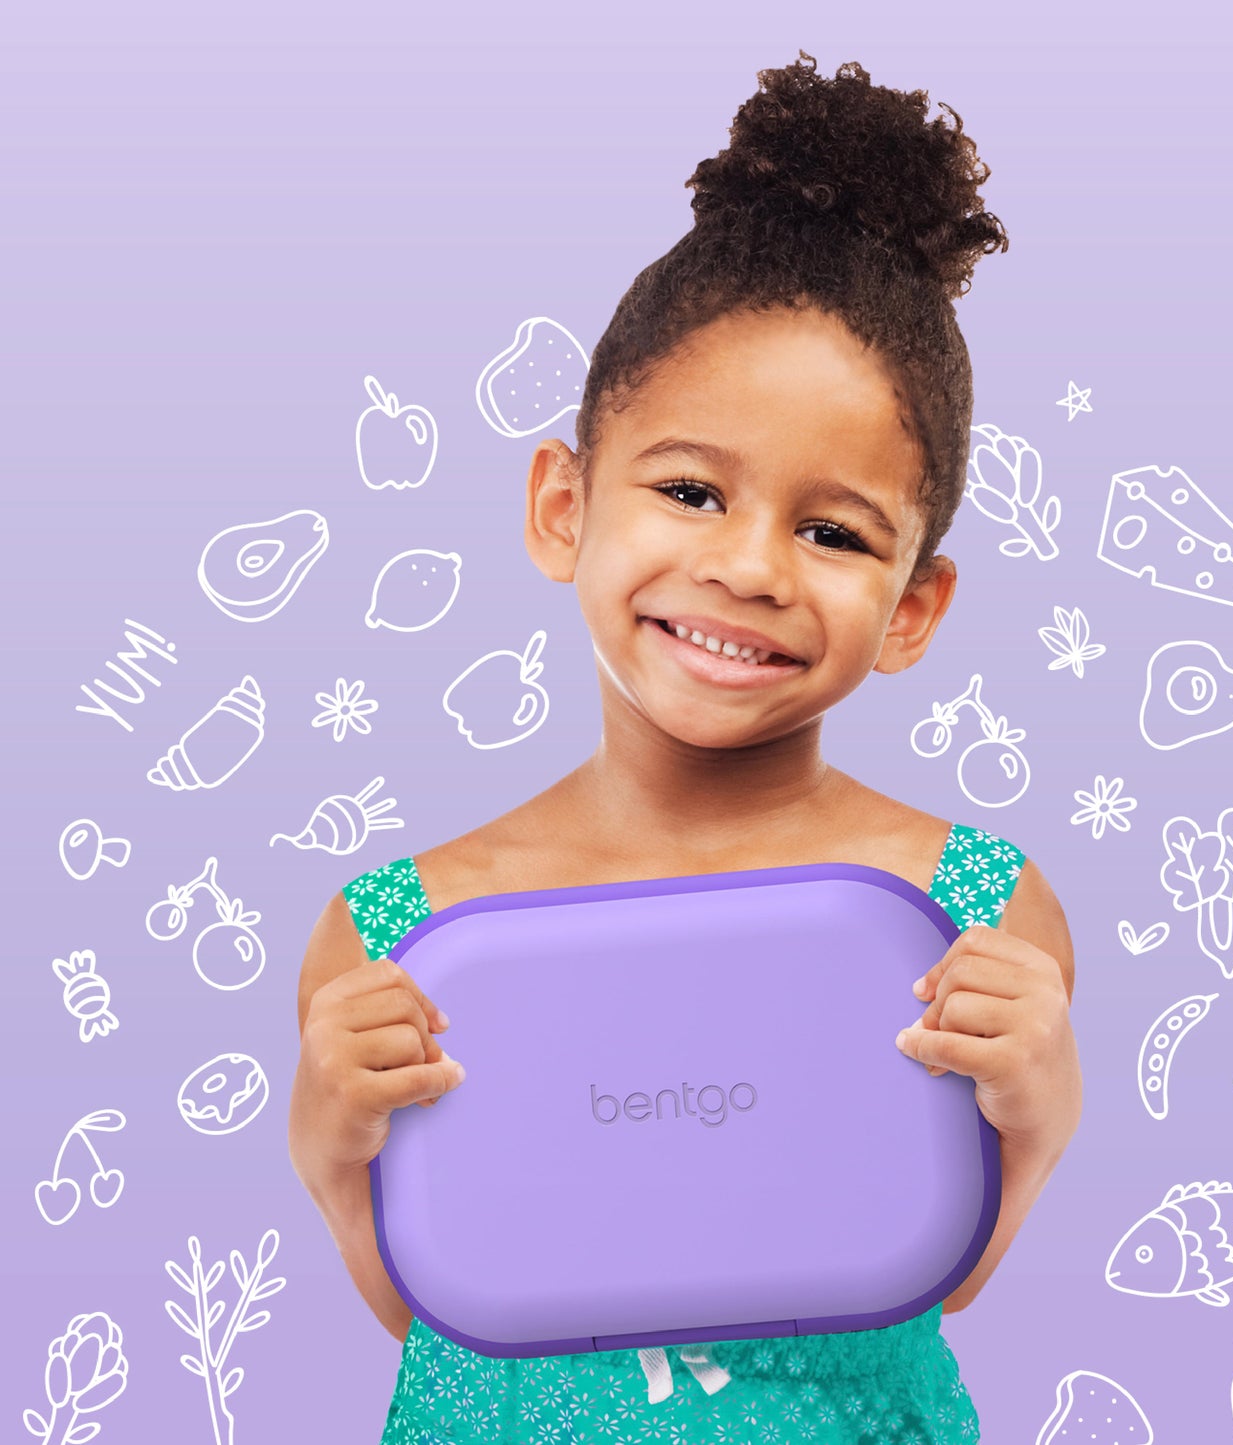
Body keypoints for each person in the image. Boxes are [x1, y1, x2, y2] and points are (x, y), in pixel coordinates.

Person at [289, 48, 1082, 1444]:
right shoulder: (401, 931)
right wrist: (330, 1144)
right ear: (562, 504)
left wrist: (1037, 1104)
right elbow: (436, 1310)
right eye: (692, 488)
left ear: (913, 608)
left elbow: (936, 1278)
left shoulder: (964, 912)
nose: (752, 566)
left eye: (834, 531)